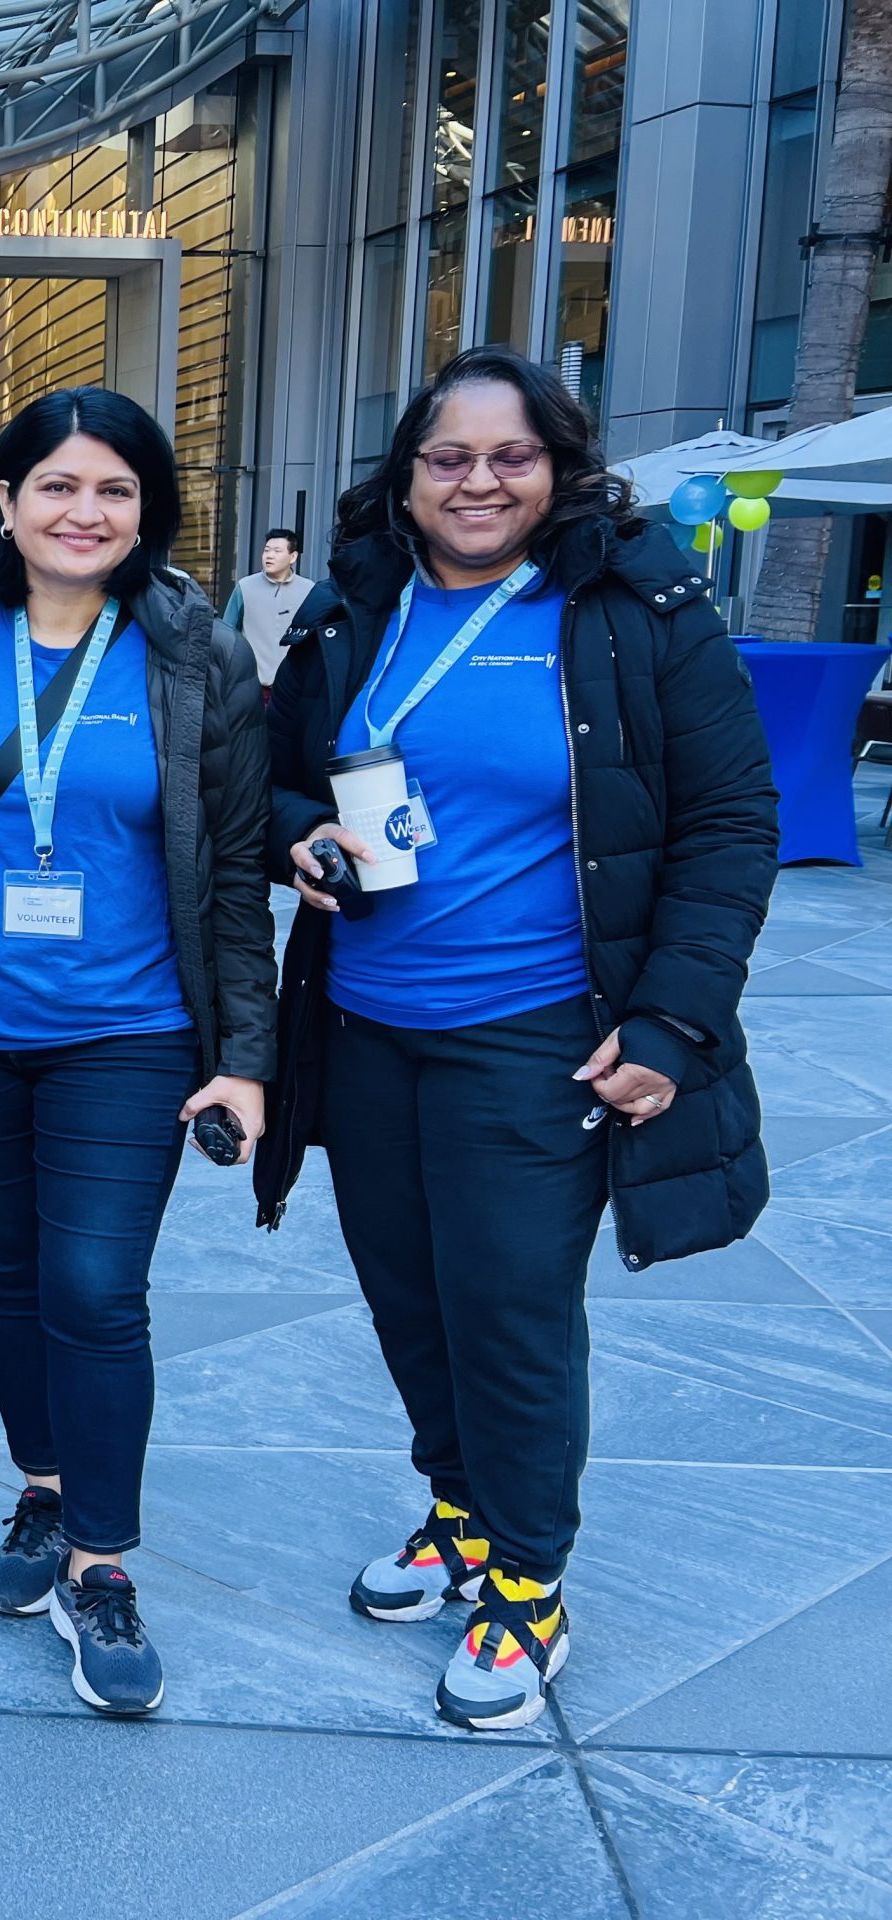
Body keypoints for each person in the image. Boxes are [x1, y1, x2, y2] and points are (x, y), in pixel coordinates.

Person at [257, 345, 777, 1732]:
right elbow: (271, 772)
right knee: (408, 1299)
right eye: (449, 457)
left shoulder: (636, 608)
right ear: (407, 476)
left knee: (509, 1313)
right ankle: (461, 1515)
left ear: (559, 467)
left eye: (511, 456)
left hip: (537, 1040)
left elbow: (731, 823)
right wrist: (294, 832)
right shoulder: (357, 602)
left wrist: (672, 1018)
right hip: (367, 1026)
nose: (478, 481)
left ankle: (530, 1581)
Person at [0, 387, 274, 1717]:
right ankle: (43, 1486)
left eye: (114, 490)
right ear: (6, 500)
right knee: (7, 1272)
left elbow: (235, 872)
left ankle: (99, 1562)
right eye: (57, 485)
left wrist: (245, 1054)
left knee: (94, 1290)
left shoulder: (196, 656)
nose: (84, 512)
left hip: (128, 1026)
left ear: (147, 511)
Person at [221, 527, 315, 688]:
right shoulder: (245, 587)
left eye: (277, 551)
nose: (269, 555)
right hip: (251, 684)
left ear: (293, 557)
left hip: (293, 686)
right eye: (266, 550)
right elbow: (227, 634)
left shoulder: (308, 589)